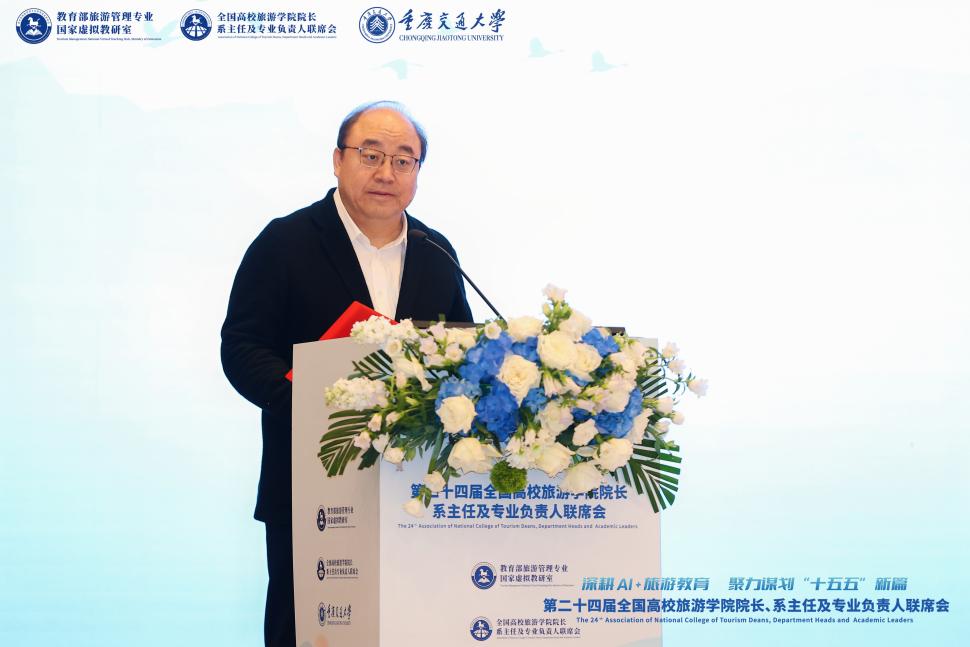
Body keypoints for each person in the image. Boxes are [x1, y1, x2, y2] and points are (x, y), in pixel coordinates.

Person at [220, 101, 473, 646]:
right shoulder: (285, 242)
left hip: (415, 490)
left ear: (418, 172)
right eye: (371, 155)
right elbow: (242, 347)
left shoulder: (435, 251)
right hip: (310, 484)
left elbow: (462, 357)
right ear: (338, 160)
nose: (387, 173)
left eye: (403, 160)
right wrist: (309, 401)